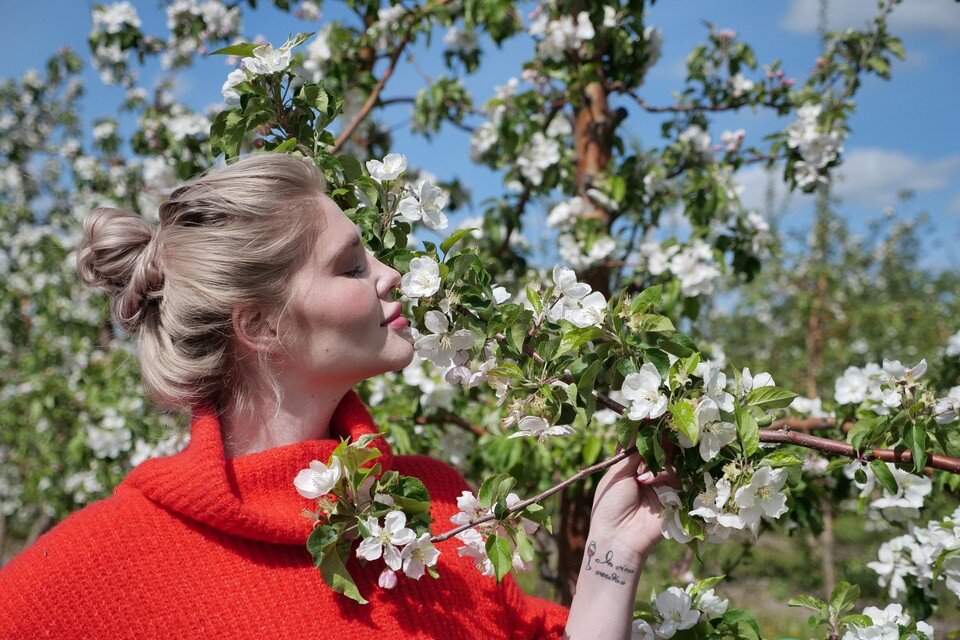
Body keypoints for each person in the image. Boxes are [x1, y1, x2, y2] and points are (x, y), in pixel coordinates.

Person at [0, 153, 675, 639]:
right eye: (351, 265)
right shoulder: (106, 564)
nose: (391, 276)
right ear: (260, 325)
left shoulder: (434, 512)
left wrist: (611, 555)